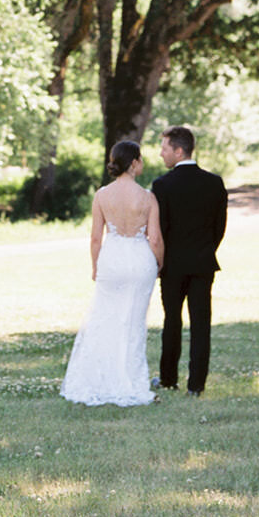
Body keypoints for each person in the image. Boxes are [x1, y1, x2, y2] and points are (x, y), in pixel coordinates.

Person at [60, 140, 164, 407]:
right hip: (140, 260)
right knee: (133, 322)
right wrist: (159, 263)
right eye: (140, 159)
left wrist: (96, 265)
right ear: (133, 163)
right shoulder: (148, 197)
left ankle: (100, 379)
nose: (142, 163)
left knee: (105, 317)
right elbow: (155, 239)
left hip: (112, 259)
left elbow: (96, 238)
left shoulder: (102, 196)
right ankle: (130, 380)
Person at [152, 124, 227, 397]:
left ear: (179, 150)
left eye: (164, 148)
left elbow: (160, 229)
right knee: (201, 324)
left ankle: (169, 379)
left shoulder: (162, 185)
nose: (161, 154)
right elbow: (220, 227)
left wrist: (161, 261)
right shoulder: (214, 183)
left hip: (172, 266)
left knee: (172, 321)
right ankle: (196, 385)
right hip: (203, 263)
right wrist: (205, 249)